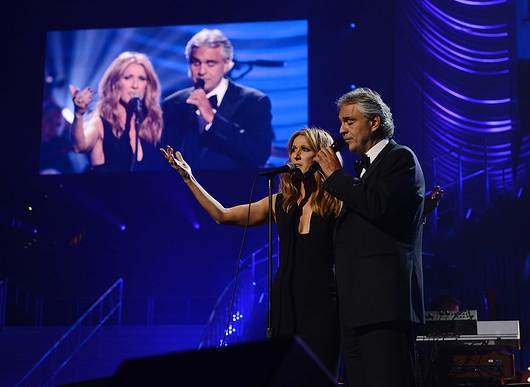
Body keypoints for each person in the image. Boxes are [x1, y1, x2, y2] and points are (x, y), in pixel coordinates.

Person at [161, 127, 341, 374]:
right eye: (293, 150)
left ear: (321, 155)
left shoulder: (337, 200)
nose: (295, 156)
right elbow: (223, 215)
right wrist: (189, 178)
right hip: (285, 302)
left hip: (324, 303)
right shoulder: (280, 203)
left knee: (321, 373)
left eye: (304, 149)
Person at [314, 87, 426, 387]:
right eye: (341, 122)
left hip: (385, 307)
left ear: (374, 123)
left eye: (349, 122)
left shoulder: (400, 158)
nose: (341, 130)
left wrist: (336, 177)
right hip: (356, 309)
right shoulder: (363, 170)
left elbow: (377, 206)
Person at [161, 28, 273, 169]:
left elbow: (259, 155)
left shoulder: (254, 101)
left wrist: (212, 119)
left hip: (233, 187)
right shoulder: (172, 103)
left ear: (227, 65)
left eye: (210, 63)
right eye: (196, 63)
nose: (201, 71)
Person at [70, 51, 163, 172]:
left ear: (147, 86)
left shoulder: (150, 125)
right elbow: (79, 146)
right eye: (128, 78)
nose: (135, 85)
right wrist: (79, 114)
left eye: (141, 79)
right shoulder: (100, 123)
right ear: (115, 83)